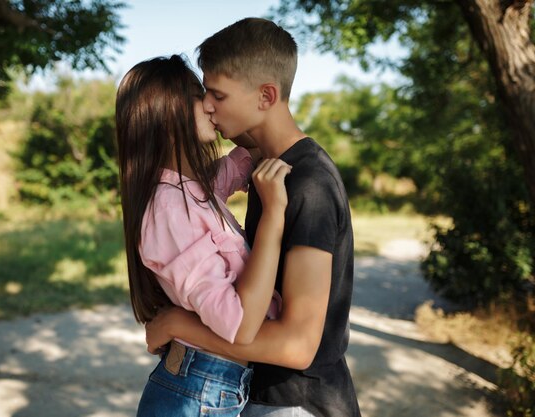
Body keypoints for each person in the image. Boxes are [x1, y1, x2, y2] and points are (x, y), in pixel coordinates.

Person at [145, 18, 361, 417]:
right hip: (260, 396)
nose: (207, 105)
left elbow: (297, 346)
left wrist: (178, 325)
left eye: (217, 95)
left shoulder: (306, 184)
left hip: (294, 404)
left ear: (266, 96)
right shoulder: (267, 172)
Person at [115, 54, 292, 416]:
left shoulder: (191, 190)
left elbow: (244, 159)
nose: (211, 104)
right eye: (200, 95)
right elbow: (239, 324)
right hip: (197, 394)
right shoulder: (167, 207)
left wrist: (249, 114)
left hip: (211, 386)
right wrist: (273, 216)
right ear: (169, 114)